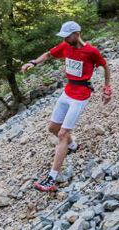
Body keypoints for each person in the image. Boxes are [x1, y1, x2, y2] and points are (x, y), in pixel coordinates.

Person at [21, 21, 112, 192]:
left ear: (77, 34)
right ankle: (73, 146)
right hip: (67, 91)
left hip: (81, 95)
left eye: (67, 35)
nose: (64, 38)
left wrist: (107, 88)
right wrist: (33, 63)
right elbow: (48, 54)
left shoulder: (91, 51)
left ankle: (52, 178)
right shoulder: (65, 46)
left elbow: (105, 65)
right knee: (52, 128)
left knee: (63, 133)